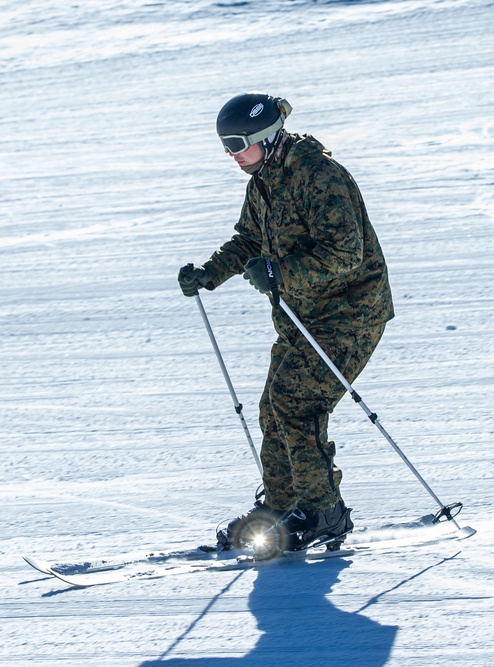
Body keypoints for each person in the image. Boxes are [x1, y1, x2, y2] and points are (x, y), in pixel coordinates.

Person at [177, 92, 394, 555]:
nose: (233, 154)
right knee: (272, 406)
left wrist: (280, 272)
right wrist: (209, 274)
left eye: (238, 143)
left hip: (350, 314)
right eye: (225, 146)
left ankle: (323, 512)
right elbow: (249, 238)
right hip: (302, 315)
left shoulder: (320, 177)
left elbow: (345, 253)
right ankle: (281, 505)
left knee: (296, 402)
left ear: (265, 135)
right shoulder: (263, 182)